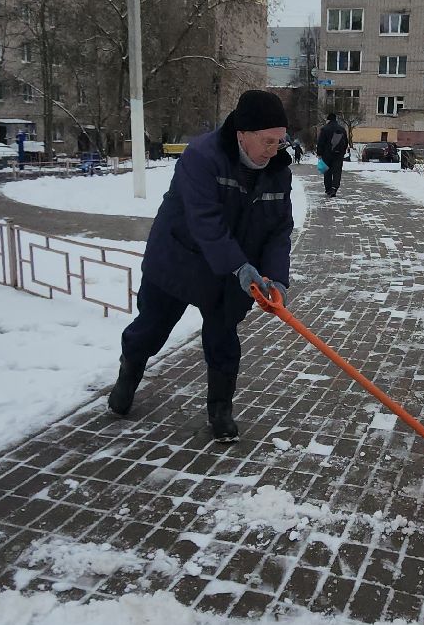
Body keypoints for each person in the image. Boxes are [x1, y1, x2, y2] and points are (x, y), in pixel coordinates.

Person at [107, 89, 293, 443]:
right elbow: (204, 221)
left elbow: (278, 231)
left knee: (223, 339)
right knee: (151, 328)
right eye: (268, 141)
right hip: (179, 259)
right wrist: (239, 266)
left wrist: (275, 279)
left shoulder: (277, 173)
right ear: (243, 134)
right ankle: (129, 372)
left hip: (231, 272)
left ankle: (220, 408)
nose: (274, 150)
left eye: (279, 142)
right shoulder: (202, 156)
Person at [315, 113, 349, 197]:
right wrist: (343, 152)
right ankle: (334, 188)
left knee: (327, 171)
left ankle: (328, 189)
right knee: (337, 171)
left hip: (327, 154)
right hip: (339, 154)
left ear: (328, 120)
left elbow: (321, 142)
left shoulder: (325, 129)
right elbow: (346, 142)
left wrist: (319, 153)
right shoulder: (342, 129)